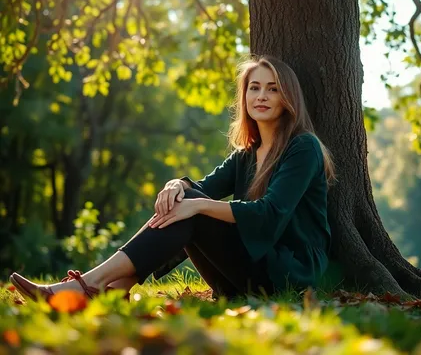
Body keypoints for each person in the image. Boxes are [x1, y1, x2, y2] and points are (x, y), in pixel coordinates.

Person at [10, 54, 335, 301]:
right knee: (185, 200)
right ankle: (110, 285)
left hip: (290, 275)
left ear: (288, 98)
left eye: (272, 89)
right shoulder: (247, 155)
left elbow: (270, 214)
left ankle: (94, 284)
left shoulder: (302, 148)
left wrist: (196, 204)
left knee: (193, 206)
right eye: (254, 88)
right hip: (245, 275)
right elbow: (200, 189)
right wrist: (175, 185)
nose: (261, 96)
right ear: (244, 97)